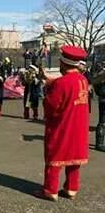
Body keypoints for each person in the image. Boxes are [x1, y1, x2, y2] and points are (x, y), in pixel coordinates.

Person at [37, 45, 89, 201]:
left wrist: (46, 93)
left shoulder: (62, 83)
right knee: (74, 159)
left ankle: (50, 190)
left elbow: (51, 106)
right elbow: (67, 86)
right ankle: (71, 188)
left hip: (63, 125)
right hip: (79, 126)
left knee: (55, 155)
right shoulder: (83, 80)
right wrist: (49, 82)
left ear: (64, 63)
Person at [92, 62, 105, 152]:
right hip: (103, 100)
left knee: (102, 122)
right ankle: (99, 144)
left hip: (102, 99)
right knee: (102, 123)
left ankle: (99, 144)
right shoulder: (101, 74)